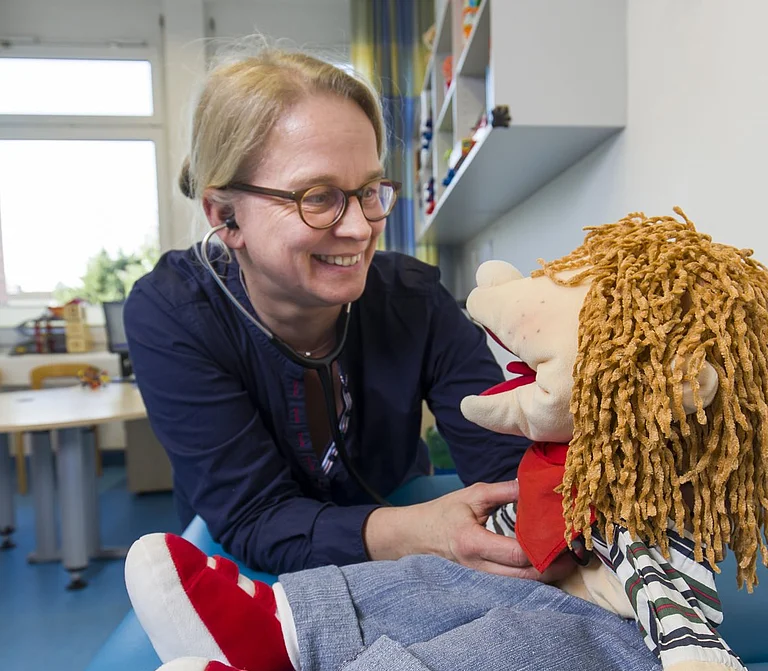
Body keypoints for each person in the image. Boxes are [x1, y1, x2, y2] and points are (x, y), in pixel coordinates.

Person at [123, 47, 549, 578]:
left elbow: (504, 459)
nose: (360, 228)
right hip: (250, 558)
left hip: (401, 516)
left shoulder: (412, 298)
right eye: (319, 197)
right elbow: (256, 518)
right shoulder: (172, 313)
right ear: (226, 216)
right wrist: (422, 532)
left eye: (369, 191)